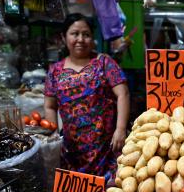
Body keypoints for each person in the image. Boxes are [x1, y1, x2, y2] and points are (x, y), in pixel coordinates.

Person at [44, 13, 130, 181]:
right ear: (64, 37)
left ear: (93, 38)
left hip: (106, 149)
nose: (80, 39)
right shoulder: (55, 71)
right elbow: (50, 106)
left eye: (86, 34)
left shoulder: (104, 63)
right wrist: (53, 136)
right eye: (75, 34)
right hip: (71, 151)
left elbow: (123, 93)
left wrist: (120, 129)